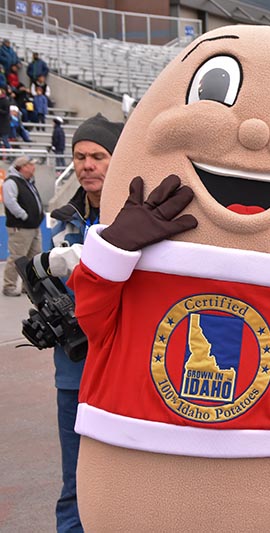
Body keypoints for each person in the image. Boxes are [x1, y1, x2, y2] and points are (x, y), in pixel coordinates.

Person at [35, 113, 123, 532]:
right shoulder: (59, 219)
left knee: (127, 482)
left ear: (118, 160)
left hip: (124, 375)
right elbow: (43, 283)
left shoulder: (139, 221)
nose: (87, 165)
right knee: (74, 483)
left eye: (98, 156)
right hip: (73, 371)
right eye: (80, 156)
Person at [2, 155, 43, 296]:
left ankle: (28, 286)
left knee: (34, 258)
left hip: (33, 226)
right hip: (21, 227)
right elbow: (10, 202)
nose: (34, 167)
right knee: (17, 257)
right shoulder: (12, 182)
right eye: (31, 164)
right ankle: (9, 285)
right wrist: (24, 216)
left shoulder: (27, 182)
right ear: (23, 167)